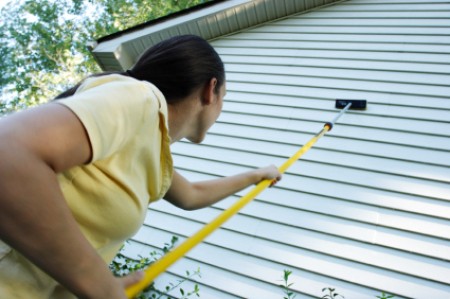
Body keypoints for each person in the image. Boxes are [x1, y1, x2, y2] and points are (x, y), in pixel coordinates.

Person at [0, 35, 281, 299]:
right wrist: (97, 282)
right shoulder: (141, 99)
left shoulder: (150, 146)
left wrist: (257, 175)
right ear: (211, 90)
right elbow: (8, 153)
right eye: (224, 97)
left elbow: (192, 195)